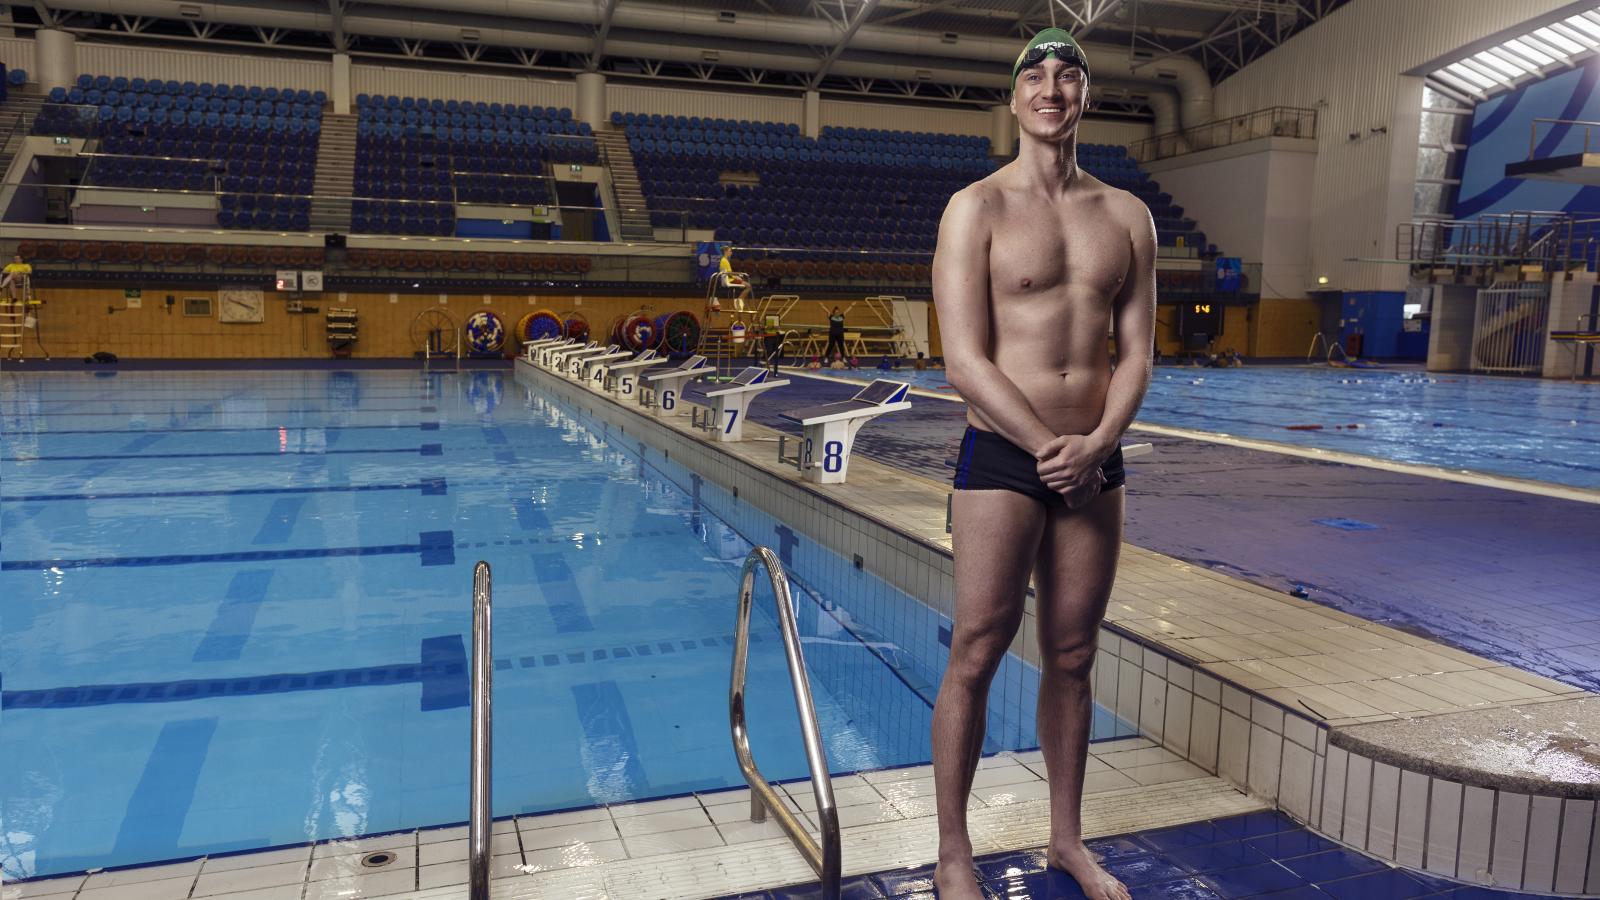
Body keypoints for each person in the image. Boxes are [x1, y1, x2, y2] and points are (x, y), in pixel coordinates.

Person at [929, 26, 1155, 900]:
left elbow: (1135, 355)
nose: (1051, 88)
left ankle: (1068, 840)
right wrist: (1048, 449)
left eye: (1068, 75)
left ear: (1085, 96)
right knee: (978, 649)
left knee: (1072, 654)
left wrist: (1096, 446)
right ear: (1014, 97)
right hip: (1004, 456)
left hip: (1093, 461)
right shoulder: (975, 207)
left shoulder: (1127, 216)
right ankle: (955, 851)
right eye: (1036, 74)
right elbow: (964, 360)